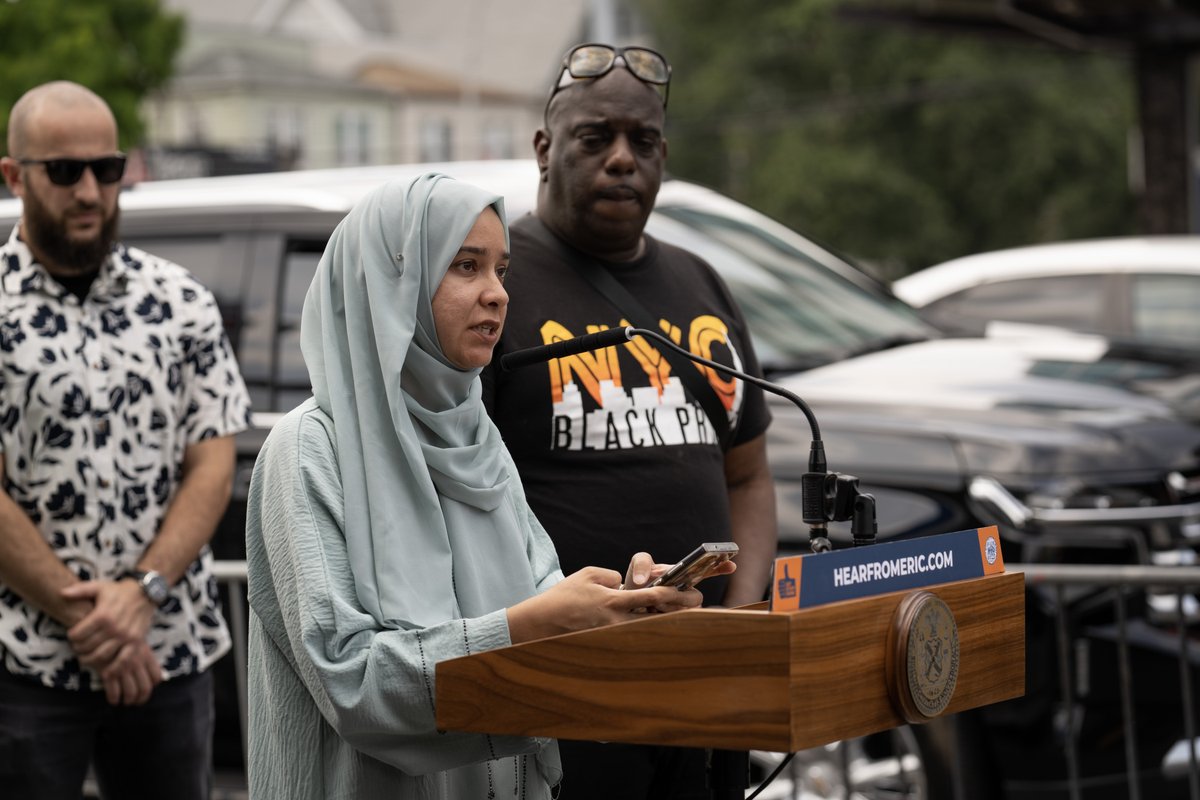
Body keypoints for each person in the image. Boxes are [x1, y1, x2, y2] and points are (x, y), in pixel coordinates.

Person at [244, 172, 725, 800]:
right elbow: (350, 677)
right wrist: (525, 628)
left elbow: (540, 598)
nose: (496, 294)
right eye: (465, 266)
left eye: (502, 270)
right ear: (392, 283)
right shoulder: (311, 448)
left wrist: (617, 609)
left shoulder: (477, 439)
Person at [480, 43, 780, 799]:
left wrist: (738, 628)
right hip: (564, 694)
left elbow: (747, 473)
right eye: (595, 138)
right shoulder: (493, 286)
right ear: (545, 149)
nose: (622, 159)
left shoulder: (701, 282)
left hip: (704, 697)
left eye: (642, 141)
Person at [0, 81, 251, 799]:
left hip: (170, 649)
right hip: (27, 659)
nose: (89, 190)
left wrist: (141, 596)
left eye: (106, 169)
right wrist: (93, 620)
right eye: (64, 171)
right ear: (14, 176)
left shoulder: (178, 299)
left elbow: (211, 460)